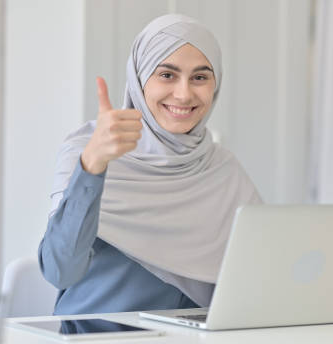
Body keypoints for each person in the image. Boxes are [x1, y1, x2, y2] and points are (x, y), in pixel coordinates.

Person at [39, 14, 261, 315]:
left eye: (200, 77)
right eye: (167, 75)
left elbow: (258, 276)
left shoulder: (222, 168)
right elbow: (59, 271)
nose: (184, 94)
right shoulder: (88, 148)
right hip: (97, 337)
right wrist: (93, 166)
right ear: (140, 79)